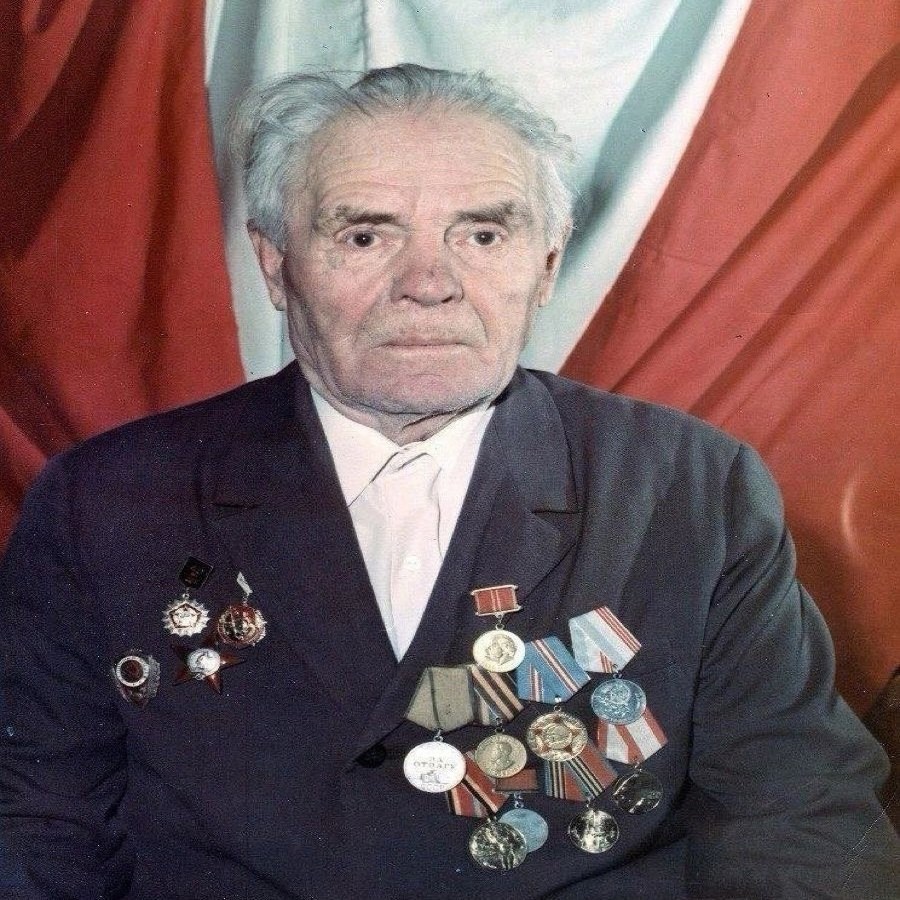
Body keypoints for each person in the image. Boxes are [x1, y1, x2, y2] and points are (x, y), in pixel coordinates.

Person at [0, 63, 897, 899]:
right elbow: (38, 823)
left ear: (546, 265)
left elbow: (798, 821)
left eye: (483, 234)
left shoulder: (691, 488)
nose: (429, 284)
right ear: (276, 264)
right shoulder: (108, 500)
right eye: (364, 234)